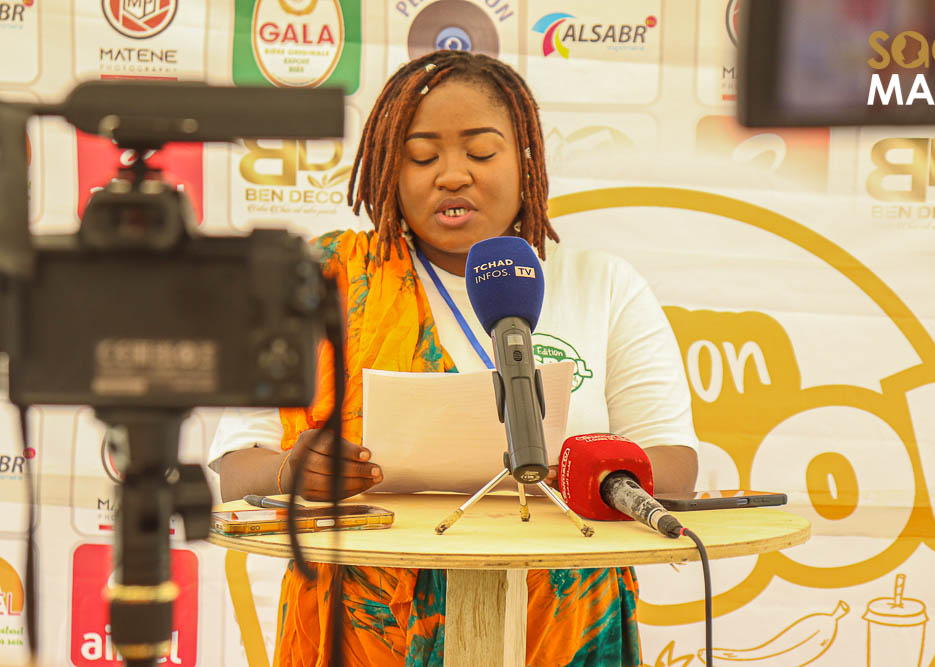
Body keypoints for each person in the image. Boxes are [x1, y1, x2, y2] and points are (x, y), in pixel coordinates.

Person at [209, 50, 699, 667]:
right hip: (366, 629)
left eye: (481, 152)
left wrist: (574, 472)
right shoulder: (322, 283)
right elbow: (236, 472)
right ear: (390, 169)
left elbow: (673, 468)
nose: (452, 175)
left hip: (567, 624)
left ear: (526, 160)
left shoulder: (603, 284)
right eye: (422, 156)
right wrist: (292, 472)